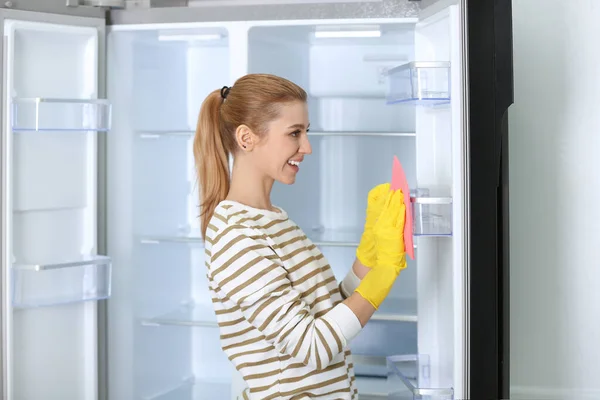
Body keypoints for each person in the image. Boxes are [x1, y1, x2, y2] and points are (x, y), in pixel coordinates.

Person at [193, 73, 408, 400]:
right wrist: (384, 275)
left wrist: (369, 258)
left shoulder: (272, 218)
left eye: (306, 132)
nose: (306, 147)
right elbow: (313, 347)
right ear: (246, 138)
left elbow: (324, 313)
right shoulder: (234, 236)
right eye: (294, 133)